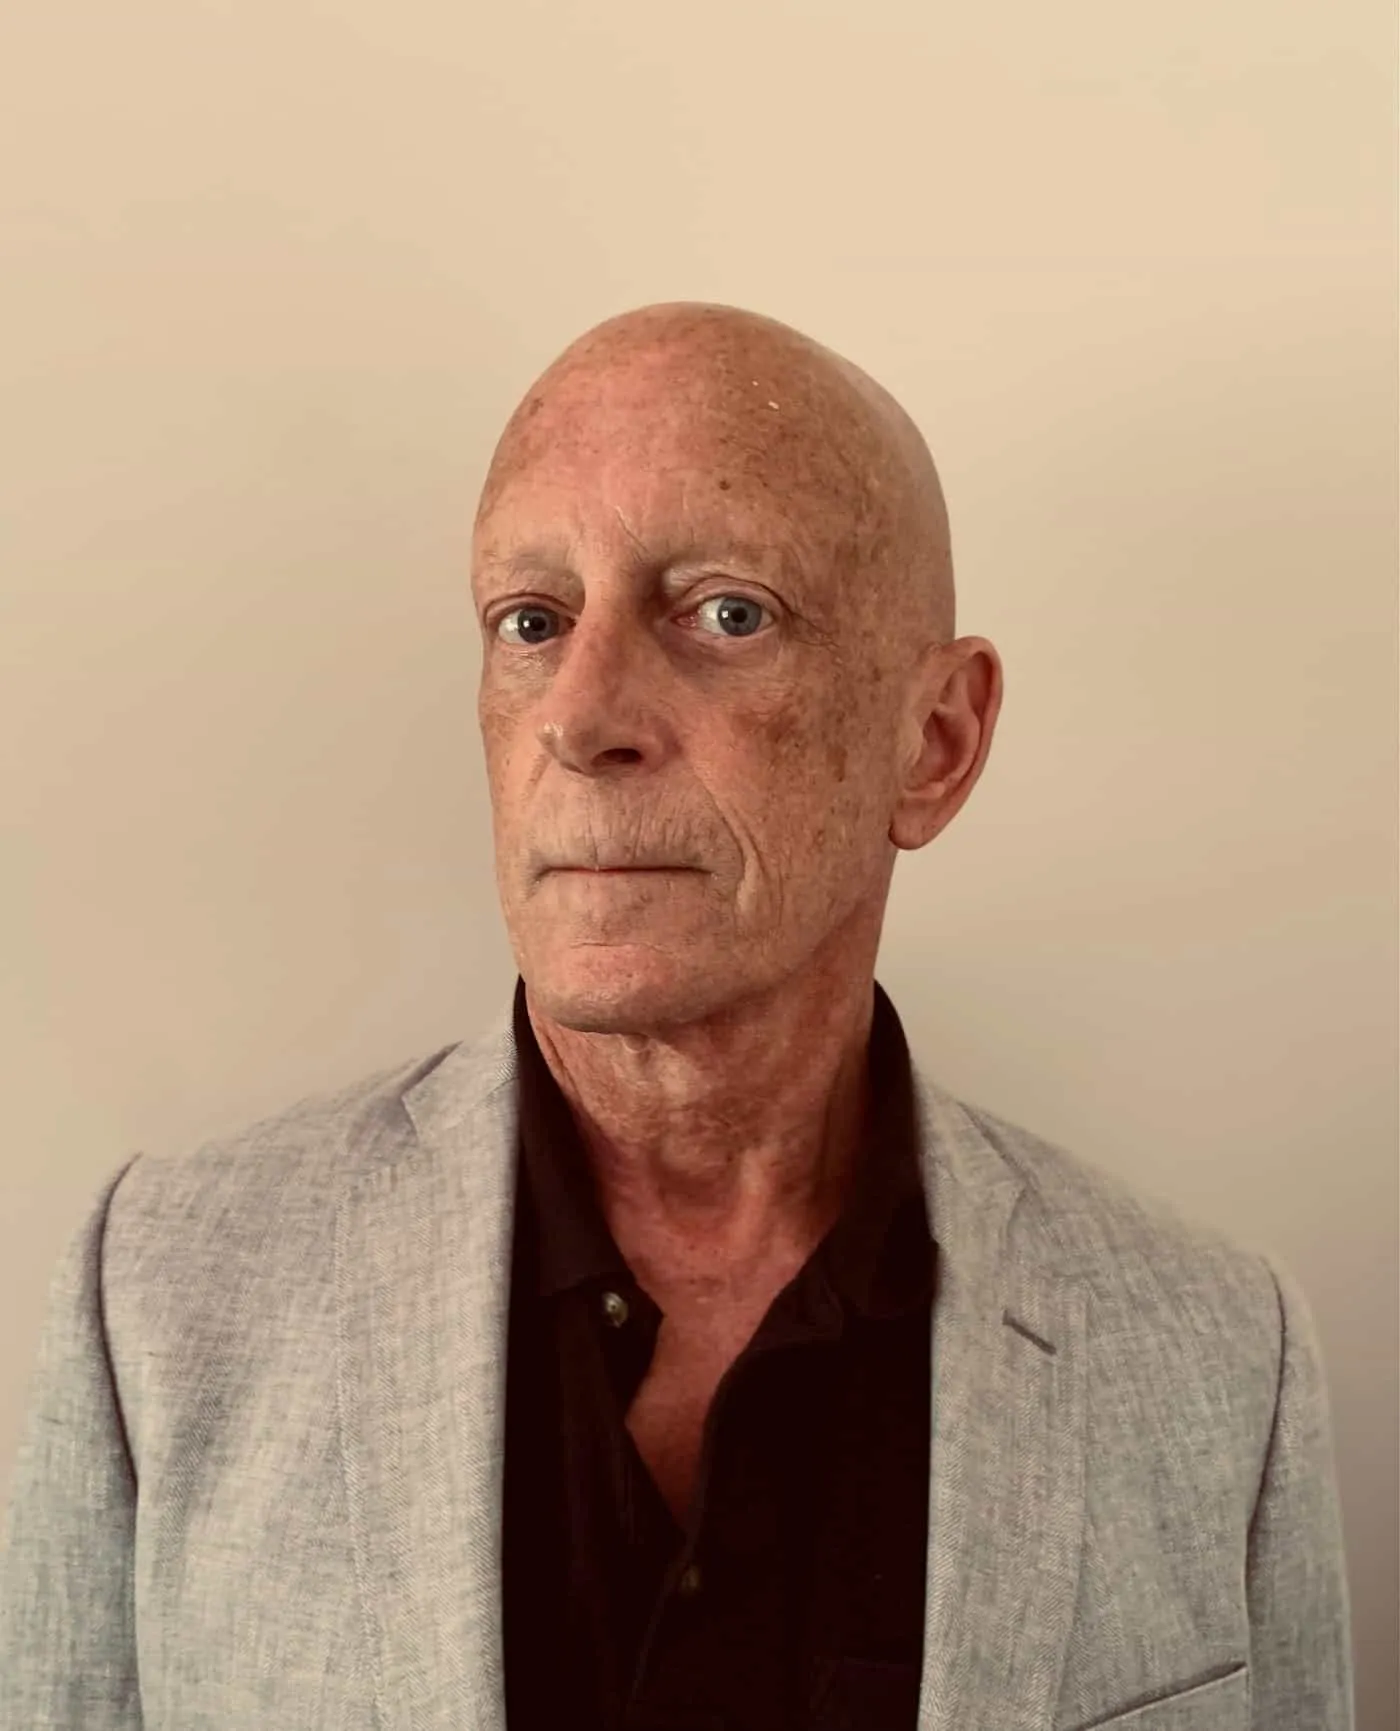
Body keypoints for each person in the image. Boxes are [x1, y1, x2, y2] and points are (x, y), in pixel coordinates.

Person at [0, 303, 1354, 1730]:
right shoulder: (157, 1301)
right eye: (532, 620)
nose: (581, 718)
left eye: (725, 611)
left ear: (936, 742)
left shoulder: (1219, 1361)